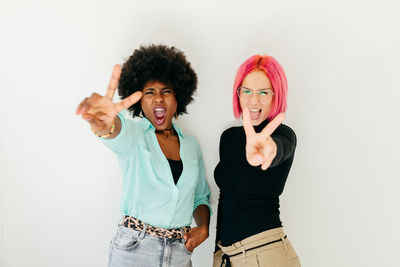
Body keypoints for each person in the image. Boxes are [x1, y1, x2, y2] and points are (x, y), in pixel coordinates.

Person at [76, 44, 211, 267]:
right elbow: (115, 133)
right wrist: (106, 125)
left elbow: (199, 196)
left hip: (180, 252)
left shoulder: (191, 146)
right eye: (150, 92)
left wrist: (204, 228)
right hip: (135, 249)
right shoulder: (135, 134)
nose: (158, 99)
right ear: (140, 100)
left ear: (179, 97)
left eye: (166, 91)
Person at [213, 54, 300, 267]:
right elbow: (226, 199)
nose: (254, 100)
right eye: (247, 91)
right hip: (227, 256)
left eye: (263, 92)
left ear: (275, 96)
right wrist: (217, 253)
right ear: (238, 93)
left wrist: (269, 149)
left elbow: (280, 148)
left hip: (266, 254)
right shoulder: (229, 137)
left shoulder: (283, 135)